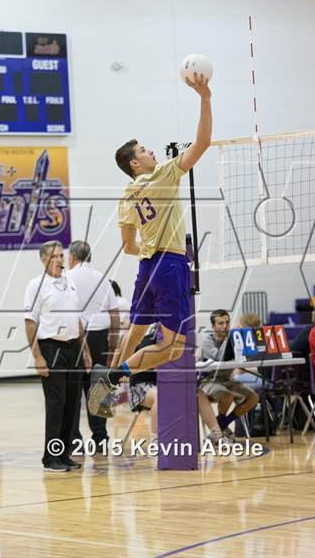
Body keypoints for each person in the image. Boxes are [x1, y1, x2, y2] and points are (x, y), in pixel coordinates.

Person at [88, 72, 212, 416]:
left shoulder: (126, 195)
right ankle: (117, 375)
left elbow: (128, 246)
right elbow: (202, 144)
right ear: (134, 163)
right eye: (144, 149)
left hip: (146, 266)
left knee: (134, 332)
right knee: (173, 349)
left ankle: (108, 384)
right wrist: (205, 99)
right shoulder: (162, 176)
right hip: (170, 265)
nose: (151, 150)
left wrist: (151, 242)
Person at [24, 240, 88, 472]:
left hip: (74, 349)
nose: (60, 260)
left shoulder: (70, 282)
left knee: (72, 404)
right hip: (51, 349)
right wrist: (38, 356)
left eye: (62, 256)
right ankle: (50, 459)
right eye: (55, 257)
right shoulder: (35, 285)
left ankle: (64, 454)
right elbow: (30, 323)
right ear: (44, 260)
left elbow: (77, 319)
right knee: (56, 404)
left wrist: (86, 351)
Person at [66, 240, 120, 450]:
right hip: (100, 336)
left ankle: (74, 440)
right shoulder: (102, 278)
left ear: (72, 257)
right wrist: (113, 346)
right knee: (99, 388)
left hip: (74, 336)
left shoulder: (66, 277)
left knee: (73, 389)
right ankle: (100, 438)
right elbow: (114, 316)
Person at [198, 309, 259, 436]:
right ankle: (220, 429)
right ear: (213, 326)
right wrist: (230, 338)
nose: (225, 326)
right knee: (227, 394)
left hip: (227, 380)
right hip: (208, 381)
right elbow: (220, 358)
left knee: (253, 397)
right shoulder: (208, 342)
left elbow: (248, 357)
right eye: (220, 323)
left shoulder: (234, 339)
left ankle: (222, 424)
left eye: (227, 322)